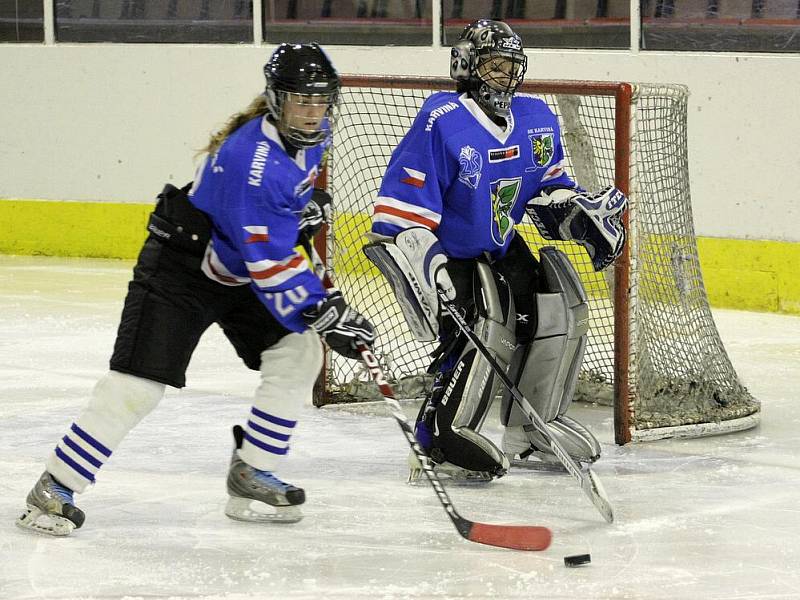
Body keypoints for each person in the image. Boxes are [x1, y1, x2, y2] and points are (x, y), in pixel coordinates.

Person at [16, 43, 375, 537]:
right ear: (275, 99)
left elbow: (275, 227)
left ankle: (252, 470)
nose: (312, 114)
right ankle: (56, 485)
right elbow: (269, 266)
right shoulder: (252, 160)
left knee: (298, 352)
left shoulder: (313, 136)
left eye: (320, 102)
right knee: (137, 386)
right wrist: (324, 310)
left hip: (234, 264)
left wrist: (300, 208)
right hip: (181, 268)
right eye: (301, 102)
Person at [364, 20, 627, 482]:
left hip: (502, 244)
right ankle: (439, 439)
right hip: (453, 252)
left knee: (555, 313)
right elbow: (403, 206)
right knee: (476, 332)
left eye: (511, 66)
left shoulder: (536, 118)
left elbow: (549, 192)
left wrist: (583, 216)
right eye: (493, 66)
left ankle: (532, 430)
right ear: (467, 66)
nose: (504, 76)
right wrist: (426, 263)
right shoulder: (442, 120)